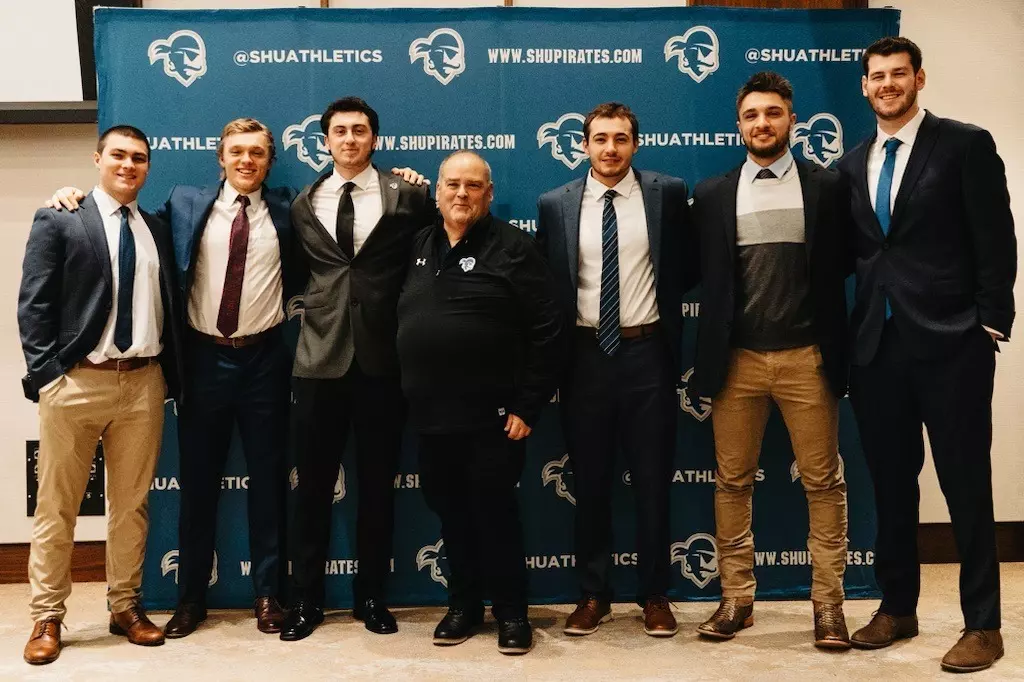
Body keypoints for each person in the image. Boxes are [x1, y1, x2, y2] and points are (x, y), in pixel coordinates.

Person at [839, 36, 1015, 673]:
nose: (887, 84)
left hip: (953, 346)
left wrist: (991, 322)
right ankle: (898, 607)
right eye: (876, 76)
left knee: (966, 485)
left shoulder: (964, 144)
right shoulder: (850, 163)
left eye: (898, 74)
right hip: (877, 351)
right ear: (864, 86)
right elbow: (856, 258)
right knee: (890, 485)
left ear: (919, 78)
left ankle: (984, 625)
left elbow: (996, 236)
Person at [689, 71, 850, 648]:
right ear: (739, 126)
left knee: (823, 485)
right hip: (736, 363)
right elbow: (688, 269)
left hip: (809, 358)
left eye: (774, 113)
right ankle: (737, 599)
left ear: (792, 120)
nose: (763, 123)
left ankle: (829, 606)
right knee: (732, 483)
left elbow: (849, 266)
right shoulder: (711, 194)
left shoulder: (829, 188)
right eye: (752, 115)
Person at [19, 125, 183, 664]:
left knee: (131, 506)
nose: (128, 165)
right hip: (76, 383)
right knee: (57, 506)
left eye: (139, 158)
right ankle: (47, 616)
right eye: (118, 155)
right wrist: (48, 375)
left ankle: (125, 606)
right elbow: (35, 304)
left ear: (148, 167)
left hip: (142, 384)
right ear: (97, 159)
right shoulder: (61, 218)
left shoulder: (156, 227)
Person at [535, 102, 696, 638]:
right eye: (600, 138)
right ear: (584, 144)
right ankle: (593, 593)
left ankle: (654, 594)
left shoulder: (667, 194)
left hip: (647, 352)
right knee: (592, 480)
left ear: (635, 143)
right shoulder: (554, 204)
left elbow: (688, 268)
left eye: (621, 138)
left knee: (652, 479)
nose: (610, 148)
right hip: (583, 358)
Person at [282, 97, 436, 641]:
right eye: (340, 131)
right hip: (317, 361)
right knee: (311, 489)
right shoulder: (303, 201)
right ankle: (305, 602)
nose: (350, 139)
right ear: (325, 139)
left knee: (376, 486)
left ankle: (372, 596)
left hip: (382, 361)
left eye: (360, 130)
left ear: (375, 138)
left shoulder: (410, 195)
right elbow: (300, 273)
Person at [397, 150, 562, 654]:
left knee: (493, 513)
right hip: (430, 415)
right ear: (437, 191)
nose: (461, 194)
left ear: (489, 194)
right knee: (450, 515)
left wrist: (527, 405)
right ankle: (464, 605)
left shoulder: (514, 247)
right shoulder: (418, 242)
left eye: (473, 186)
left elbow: (548, 331)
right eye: (452, 184)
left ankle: (511, 613)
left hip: (494, 418)